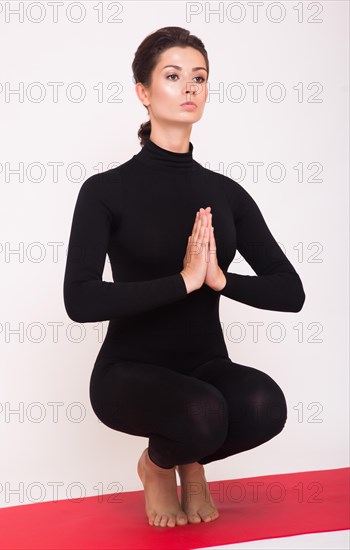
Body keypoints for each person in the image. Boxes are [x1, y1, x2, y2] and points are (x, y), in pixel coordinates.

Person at [63, 26, 306, 529]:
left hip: (205, 367)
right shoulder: (105, 191)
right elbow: (79, 300)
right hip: (128, 370)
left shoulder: (227, 194)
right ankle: (158, 467)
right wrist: (182, 281)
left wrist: (220, 279)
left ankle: (189, 458)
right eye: (173, 76)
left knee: (265, 404)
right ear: (144, 93)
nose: (190, 87)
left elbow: (291, 292)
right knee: (202, 413)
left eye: (199, 77)